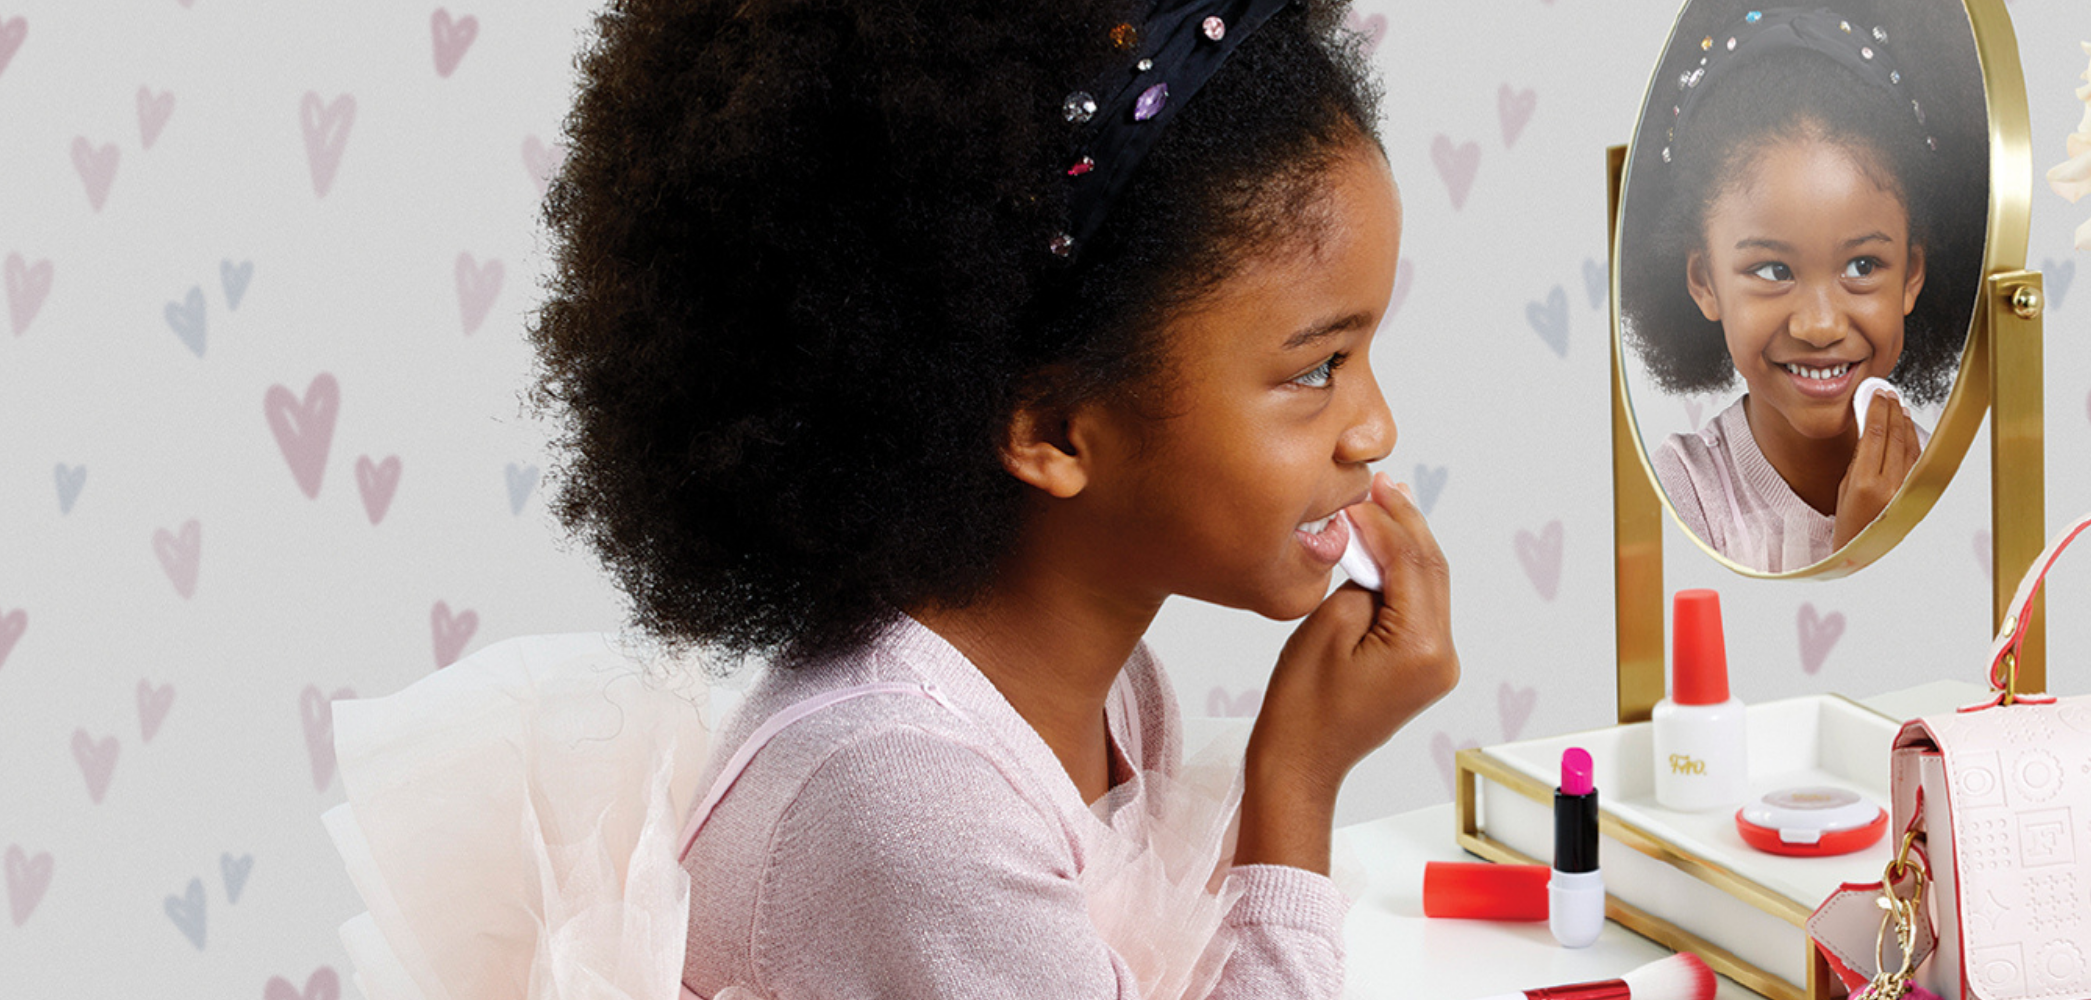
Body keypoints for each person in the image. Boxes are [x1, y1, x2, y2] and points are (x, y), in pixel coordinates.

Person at [526, 0, 1452, 996]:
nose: (1374, 429)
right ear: (1052, 430)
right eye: (1318, 367)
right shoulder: (906, 794)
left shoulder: (1114, 690)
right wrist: (1297, 782)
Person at [1619, 2, 1987, 573]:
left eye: (1863, 266)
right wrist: (1855, 551)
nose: (1820, 325)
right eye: (1773, 271)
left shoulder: (1964, 487)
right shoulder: (1679, 495)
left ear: (1913, 274)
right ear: (1704, 281)